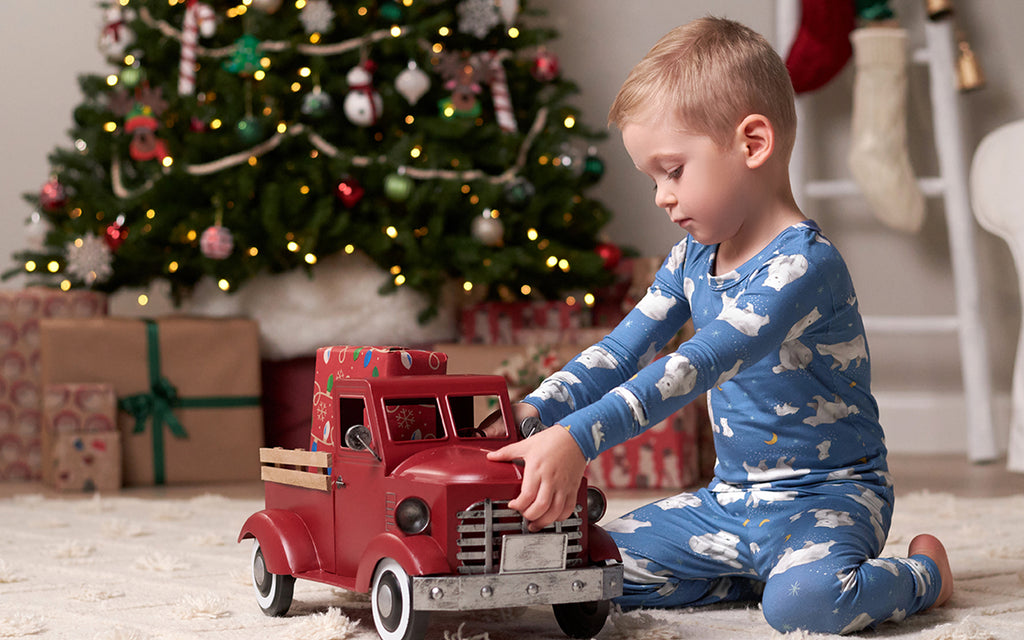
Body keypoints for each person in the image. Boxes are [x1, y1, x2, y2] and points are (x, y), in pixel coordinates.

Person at [485, 16, 952, 635]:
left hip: (831, 495)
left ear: (752, 143)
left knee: (804, 607)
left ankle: (924, 576)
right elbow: (623, 349)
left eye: (672, 170)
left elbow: (694, 365)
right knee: (593, 565)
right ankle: (748, 571)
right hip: (730, 501)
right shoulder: (690, 259)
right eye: (652, 178)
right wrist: (533, 413)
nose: (660, 196)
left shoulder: (802, 266)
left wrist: (579, 438)